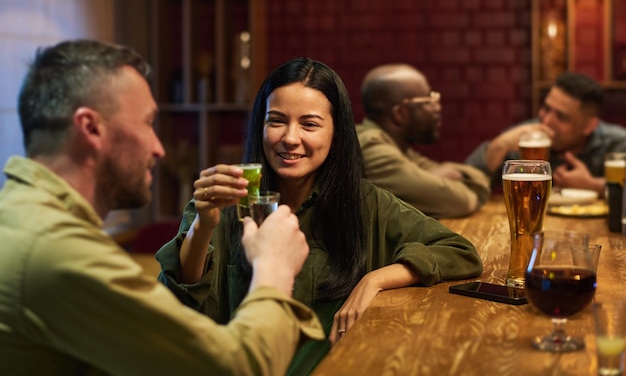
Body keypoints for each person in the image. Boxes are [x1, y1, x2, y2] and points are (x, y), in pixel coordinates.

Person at [0, 39, 324, 376]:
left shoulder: (20, 215)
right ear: (91, 127)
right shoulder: (58, 250)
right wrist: (274, 267)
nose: (159, 149)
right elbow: (237, 368)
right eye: (147, 123)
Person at [156, 57, 483, 376]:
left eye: (309, 124)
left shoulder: (363, 202)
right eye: (277, 120)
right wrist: (204, 225)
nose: (290, 138)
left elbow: (459, 252)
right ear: (261, 126)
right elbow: (177, 305)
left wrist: (377, 279)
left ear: (336, 134)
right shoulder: (229, 202)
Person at [356, 64, 491, 218]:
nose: (437, 107)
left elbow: (477, 178)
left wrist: (433, 177)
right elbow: (459, 201)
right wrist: (434, 178)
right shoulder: (372, 149)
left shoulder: (393, 144)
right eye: (428, 101)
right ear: (400, 114)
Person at [465, 71, 626, 194]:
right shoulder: (528, 138)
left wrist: (592, 185)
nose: (546, 121)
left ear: (589, 126)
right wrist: (501, 144)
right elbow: (466, 178)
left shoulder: (617, 142)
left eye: (561, 117)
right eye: (546, 108)